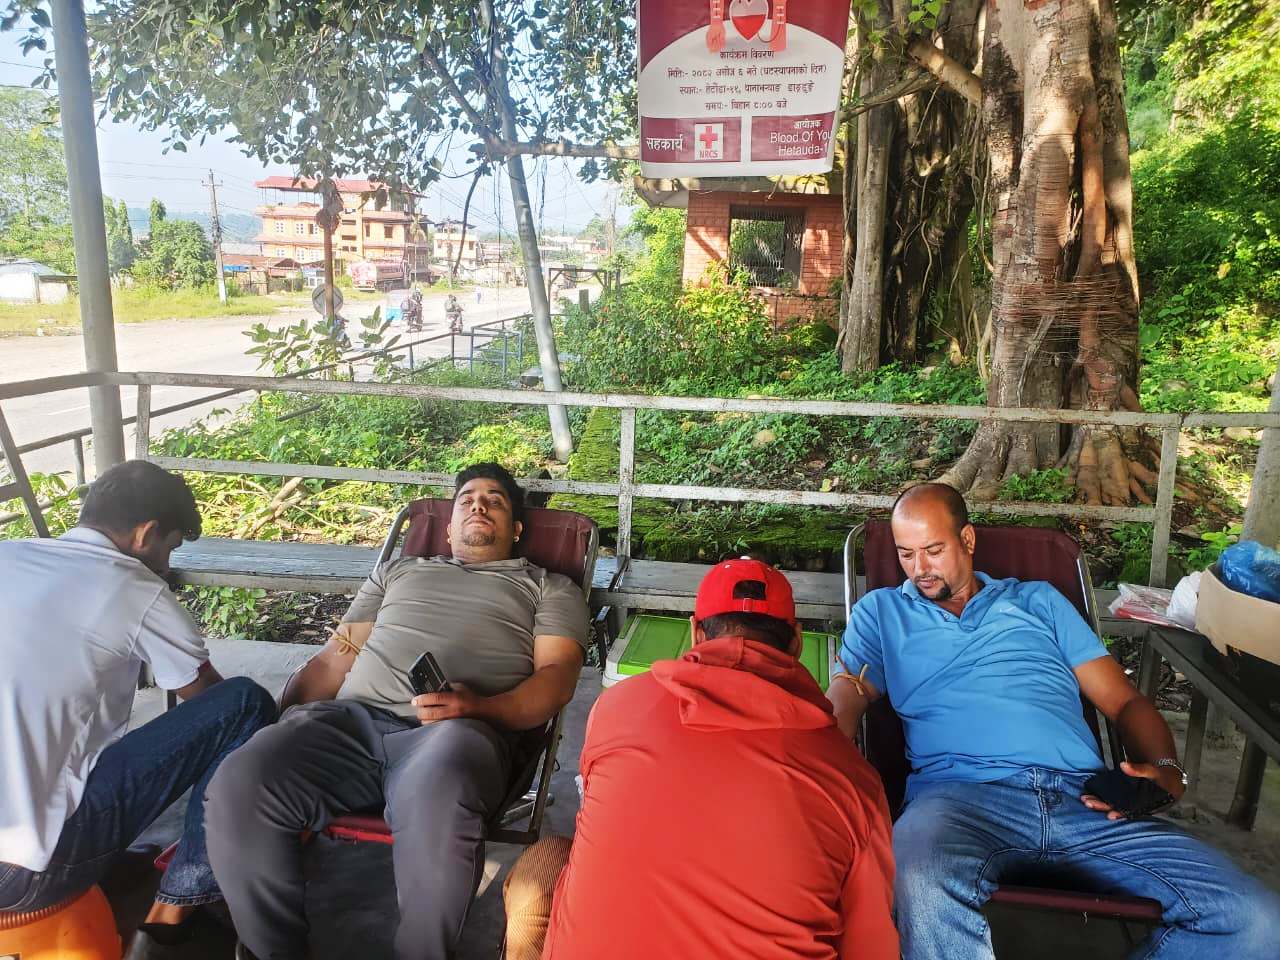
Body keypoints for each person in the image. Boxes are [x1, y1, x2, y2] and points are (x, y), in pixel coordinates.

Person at [830, 482, 1280, 960]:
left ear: (967, 539)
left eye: (933, 550)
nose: (919, 568)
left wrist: (1166, 769)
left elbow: (1124, 702)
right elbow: (845, 698)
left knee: (1257, 921)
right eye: (906, 554)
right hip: (958, 801)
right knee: (917, 877)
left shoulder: (1037, 602)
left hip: (1084, 800)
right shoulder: (882, 613)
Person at [205, 462, 590, 960]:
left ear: (516, 529)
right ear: (448, 527)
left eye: (494, 500)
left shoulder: (548, 586)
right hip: (347, 724)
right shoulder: (397, 572)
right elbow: (335, 658)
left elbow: (556, 678)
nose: (478, 505)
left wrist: (479, 707)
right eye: (467, 499)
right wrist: (279, 730)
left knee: (442, 787)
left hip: (454, 731)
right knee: (242, 777)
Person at [503, 558, 898, 960]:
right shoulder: (852, 779)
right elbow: (871, 946)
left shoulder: (617, 707)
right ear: (796, 642)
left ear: (695, 633)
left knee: (546, 862)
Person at [0, 460, 277, 954]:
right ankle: (180, 904)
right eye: (170, 547)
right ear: (146, 533)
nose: (167, 565)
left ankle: (111, 862)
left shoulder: (9, 554)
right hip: (23, 874)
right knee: (245, 703)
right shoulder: (132, 585)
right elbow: (211, 702)